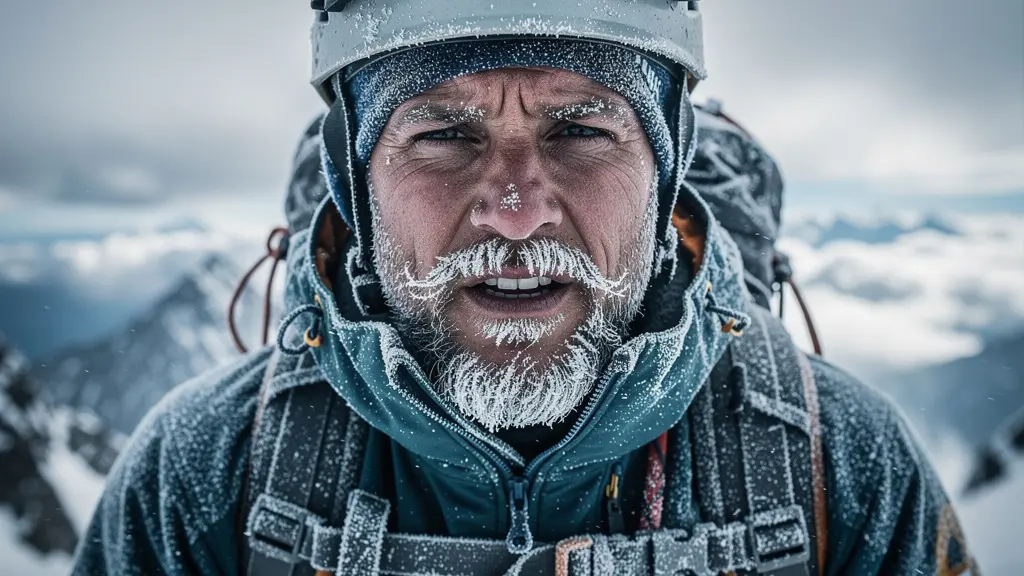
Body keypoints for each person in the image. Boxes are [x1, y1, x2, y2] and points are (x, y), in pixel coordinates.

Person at [72, 2, 976, 575]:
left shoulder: (844, 471)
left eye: (580, 130)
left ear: (664, 174)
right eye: (442, 136)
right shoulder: (206, 473)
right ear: (358, 180)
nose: (514, 210)